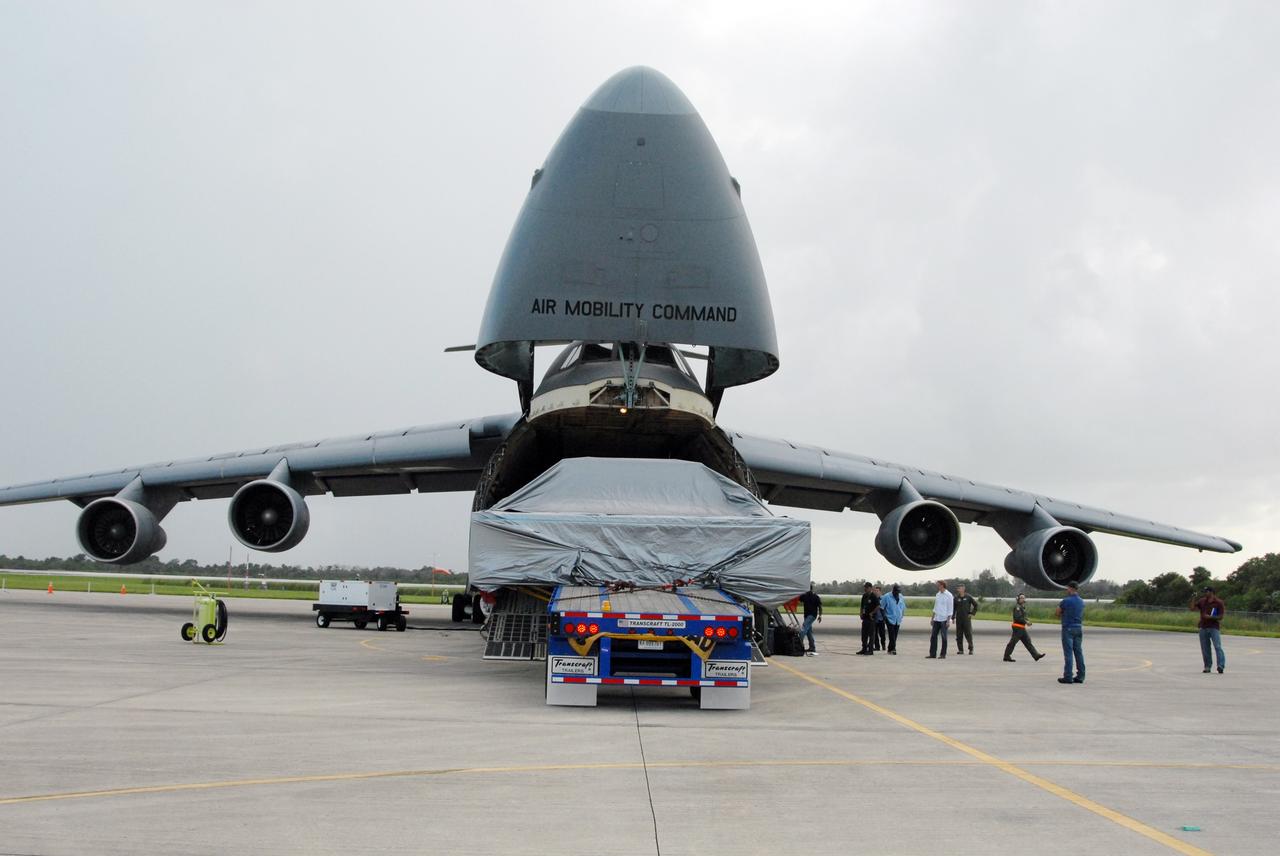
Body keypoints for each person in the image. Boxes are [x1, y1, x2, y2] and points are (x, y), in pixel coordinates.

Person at [1189, 586, 1226, 673]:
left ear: (1211, 592)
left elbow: (1221, 616)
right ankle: (1207, 666)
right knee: (1205, 648)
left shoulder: (1218, 602)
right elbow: (1192, 608)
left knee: (1217, 646)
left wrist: (1210, 617)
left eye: (1207, 591)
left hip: (1214, 627)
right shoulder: (1202, 601)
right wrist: (1193, 598)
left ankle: (1220, 665)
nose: (1205, 593)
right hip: (1203, 627)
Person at [1056, 583, 1085, 684]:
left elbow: (1057, 613)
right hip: (1078, 627)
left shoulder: (1066, 601)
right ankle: (1081, 676)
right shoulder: (1081, 601)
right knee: (1078, 652)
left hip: (1068, 628)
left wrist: (1063, 613)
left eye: (1067, 588)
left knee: (1068, 653)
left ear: (1070, 588)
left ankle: (1068, 676)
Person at [1002, 593, 1045, 662]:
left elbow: (1023, 617)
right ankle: (1006, 656)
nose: (1023, 599)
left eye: (1024, 598)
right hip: (1018, 627)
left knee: (1028, 642)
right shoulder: (1017, 607)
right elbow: (1018, 618)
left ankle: (1036, 655)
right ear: (1018, 599)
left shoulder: (1022, 607)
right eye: (1021, 598)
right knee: (1013, 642)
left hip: (1022, 628)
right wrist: (1026, 622)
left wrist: (1028, 621)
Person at [928, 580, 953, 659]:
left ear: (942, 585)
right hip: (937, 618)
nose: (937, 586)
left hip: (944, 619)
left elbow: (950, 608)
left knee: (944, 637)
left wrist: (948, 620)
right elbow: (935, 607)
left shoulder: (949, 595)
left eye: (938, 585)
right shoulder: (938, 594)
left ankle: (943, 654)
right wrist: (932, 618)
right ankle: (932, 654)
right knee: (933, 637)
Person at [798, 584, 823, 656]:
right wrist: (820, 615)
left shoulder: (814, 596)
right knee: (809, 632)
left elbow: (820, 606)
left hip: (811, 615)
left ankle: (799, 645)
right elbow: (799, 598)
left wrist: (820, 615)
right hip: (807, 615)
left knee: (803, 629)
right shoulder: (806, 596)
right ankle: (812, 647)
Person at [953, 584, 978, 654]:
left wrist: (972, 613)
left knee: (968, 634)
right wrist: (953, 617)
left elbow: (976, 605)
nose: (958, 589)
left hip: (966, 619)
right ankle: (960, 650)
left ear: (963, 589)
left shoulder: (968, 597)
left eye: (960, 588)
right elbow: (954, 608)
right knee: (959, 635)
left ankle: (971, 649)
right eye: (958, 588)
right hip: (959, 619)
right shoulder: (956, 598)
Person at [881, 583, 905, 655]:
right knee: (892, 635)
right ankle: (893, 649)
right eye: (896, 592)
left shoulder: (901, 596)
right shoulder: (886, 596)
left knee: (895, 635)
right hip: (889, 618)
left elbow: (903, 607)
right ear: (893, 591)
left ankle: (889, 649)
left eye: (899, 592)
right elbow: (881, 608)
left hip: (898, 619)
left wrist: (902, 615)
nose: (897, 593)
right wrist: (885, 617)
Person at [857, 582, 880, 655]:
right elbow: (862, 605)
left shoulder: (873, 596)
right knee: (864, 635)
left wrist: (872, 613)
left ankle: (870, 650)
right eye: (865, 587)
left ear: (870, 588)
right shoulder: (864, 596)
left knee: (871, 635)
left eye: (866, 587)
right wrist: (861, 613)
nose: (865, 589)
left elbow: (878, 606)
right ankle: (864, 649)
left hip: (871, 619)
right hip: (865, 618)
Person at [872, 585, 887, 651]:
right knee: (875, 634)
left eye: (877, 591)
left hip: (881, 619)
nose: (876, 592)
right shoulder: (873, 599)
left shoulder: (884, 599)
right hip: (875, 619)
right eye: (875, 591)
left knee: (882, 634)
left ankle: (883, 645)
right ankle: (877, 647)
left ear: (880, 592)